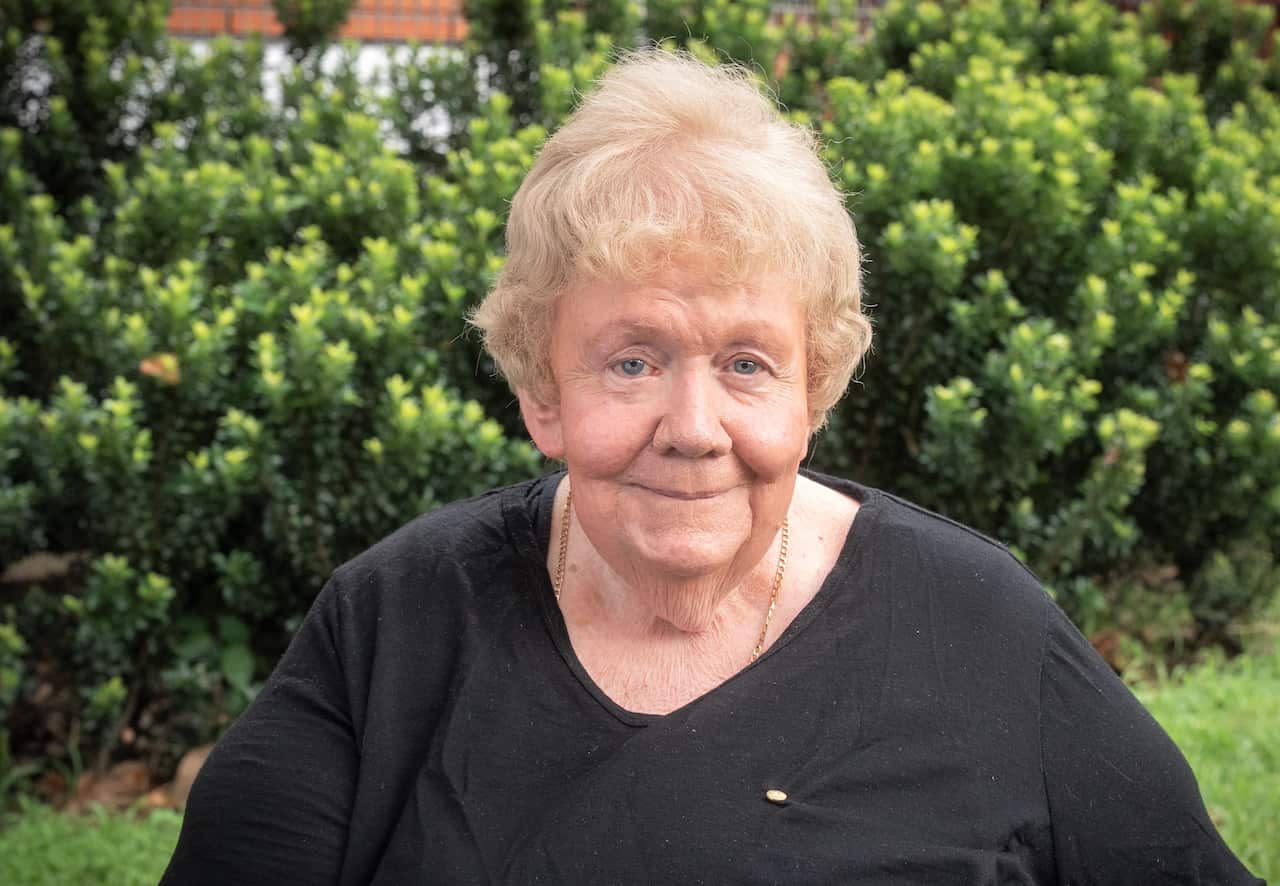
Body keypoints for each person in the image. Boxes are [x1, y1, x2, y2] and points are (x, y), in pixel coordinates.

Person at [160, 48, 1264, 885]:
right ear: (541, 390)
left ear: (812, 387)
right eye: (632, 361)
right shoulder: (393, 622)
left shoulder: (979, 628)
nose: (692, 425)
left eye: (745, 362)